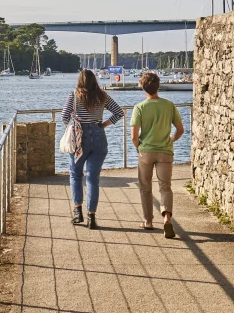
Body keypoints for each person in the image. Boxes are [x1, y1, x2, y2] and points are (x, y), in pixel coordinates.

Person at [62, 69, 124, 229]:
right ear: (94, 80)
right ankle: (91, 217)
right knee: (92, 178)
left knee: (75, 175)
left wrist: (74, 125)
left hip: (79, 139)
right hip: (98, 136)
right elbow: (119, 112)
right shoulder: (102, 96)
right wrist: (103, 124)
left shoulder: (73, 95)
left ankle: (77, 212)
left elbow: (64, 117)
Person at [131, 72, 184, 238]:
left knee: (145, 187)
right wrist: (171, 140)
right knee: (165, 187)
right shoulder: (169, 105)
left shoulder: (139, 108)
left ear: (143, 88)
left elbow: (134, 135)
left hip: (146, 151)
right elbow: (180, 129)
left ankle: (148, 221)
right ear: (158, 86)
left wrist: (139, 147)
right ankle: (167, 218)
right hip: (165, 152)